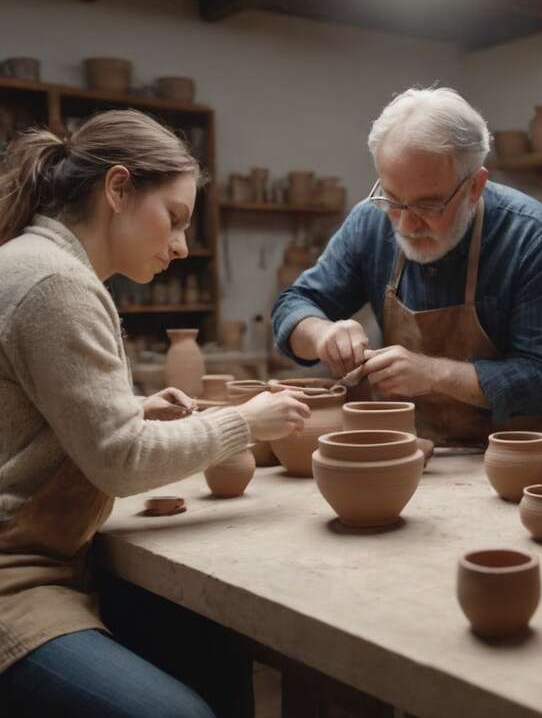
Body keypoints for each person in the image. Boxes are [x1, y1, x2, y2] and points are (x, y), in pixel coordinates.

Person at [0, 110, 310, 717]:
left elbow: (31, 420)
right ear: (117, 189)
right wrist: (246, 422)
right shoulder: (55, 283)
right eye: (173, 218)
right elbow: (121, 462)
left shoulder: (33, 259)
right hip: (15, 580)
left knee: (209, 640)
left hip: (51, 558)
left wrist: (132, 408)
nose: (181, 246)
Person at [272, 87, 542, 445]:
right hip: (423, 451)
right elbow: (293, 305)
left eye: (428, 206)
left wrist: (435, 374)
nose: (405, 226)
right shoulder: (370, 223)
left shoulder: (532, 236)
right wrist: (321, 334)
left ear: (475, 186)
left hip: (530, 458)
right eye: (392, 199)